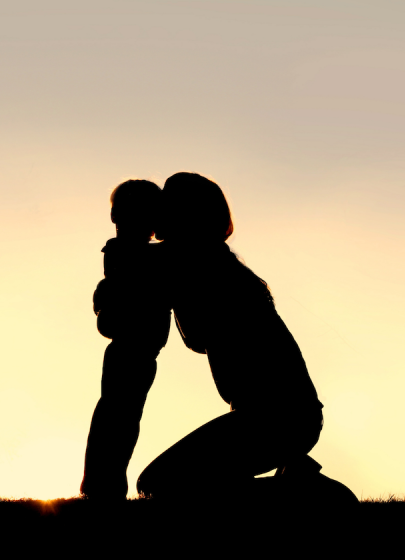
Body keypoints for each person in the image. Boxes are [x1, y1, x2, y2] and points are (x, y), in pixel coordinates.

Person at [136, 172, 357, 504]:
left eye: (164, 206)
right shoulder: (210, 261)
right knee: (165, 481)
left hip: (278, 418)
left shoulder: (204, 265)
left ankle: (306, 492)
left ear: (183, 214)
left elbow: (196, 334)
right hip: (280, 416)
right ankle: (297, 479)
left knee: (159, 483)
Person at [80, 179, 172, 500]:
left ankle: (103, 487)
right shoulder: (128, 252)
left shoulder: (145, 255)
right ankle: (102, 487)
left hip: (138, 348)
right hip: (129, 346)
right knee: (116, 415)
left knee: (119, 415)